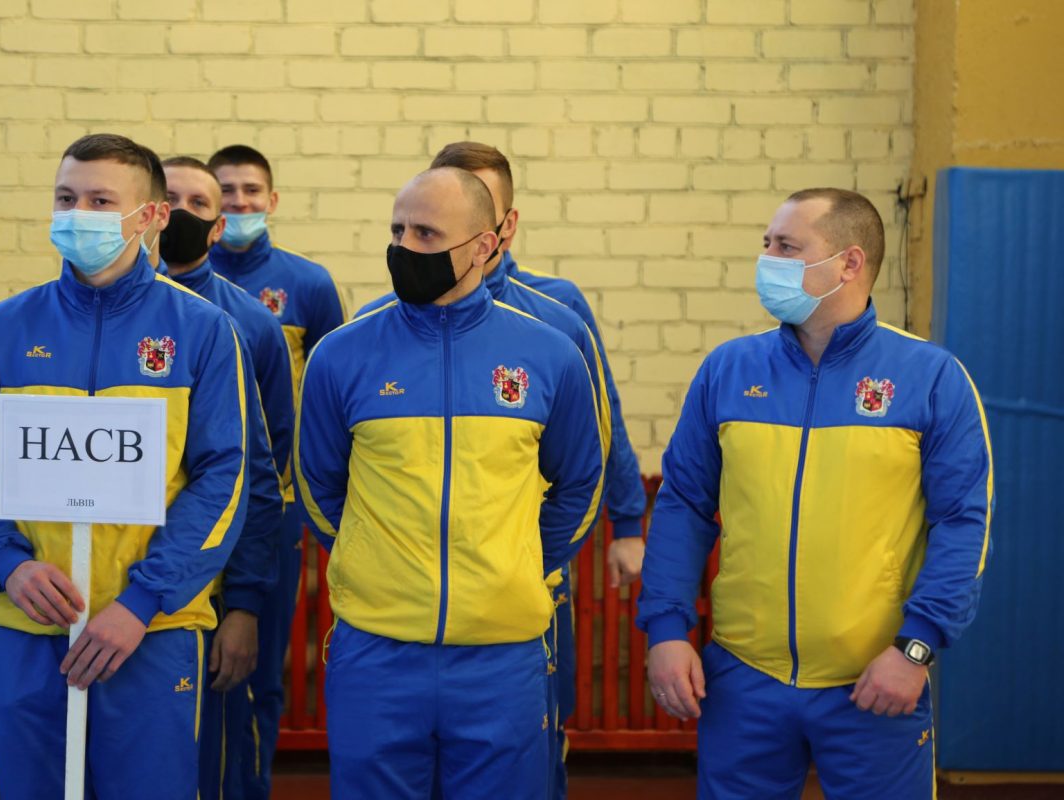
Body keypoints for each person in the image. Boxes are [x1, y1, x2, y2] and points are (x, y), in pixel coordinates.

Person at [638, 188, 994, 798]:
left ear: (849, 263)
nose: (767, 260)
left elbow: (963, 523)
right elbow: (683, 506)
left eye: (786, 246)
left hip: (876, 680)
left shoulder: (932, 378)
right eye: (767, 244)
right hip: (743, 678)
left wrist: (915, 648)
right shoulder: (729, 370)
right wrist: (666, 630)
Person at [0, 133, 250, 800]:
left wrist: (142, 601)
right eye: (66, 198)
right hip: (25, 625)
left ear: (152, 216)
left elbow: (223, 480)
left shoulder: (203, 331)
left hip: (153, 630)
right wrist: (9, 566)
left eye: (101, 201)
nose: (78, 214)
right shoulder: (3, 328)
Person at [296, 167, 606, 799]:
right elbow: (318, 485)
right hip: (377, 652)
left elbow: (581, 483)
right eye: (397, 230)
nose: (404, 247)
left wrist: (516, 566)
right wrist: (376, 559)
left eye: (427, 233)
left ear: (484, 246)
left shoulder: (550, 354)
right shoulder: (341, 354)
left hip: (503, 656)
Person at [142, 151, 293, 800]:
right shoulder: (109, 312)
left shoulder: (250, 324)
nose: (183, 213)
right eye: (171, 200)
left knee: (229, 734)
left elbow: (267, 474)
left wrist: (245, 603)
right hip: (130, 575)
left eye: (198, 204)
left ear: (217, 224)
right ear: (150, 214)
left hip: (221, 576)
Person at [205, 144, 346, 796]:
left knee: (253, 673)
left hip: (273, 509)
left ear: (273, 200)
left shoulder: (307, 285)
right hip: (185, 505)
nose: (239, 203)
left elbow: (333, 399)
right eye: (225, 192)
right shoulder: (171, 280)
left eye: (251, 191)